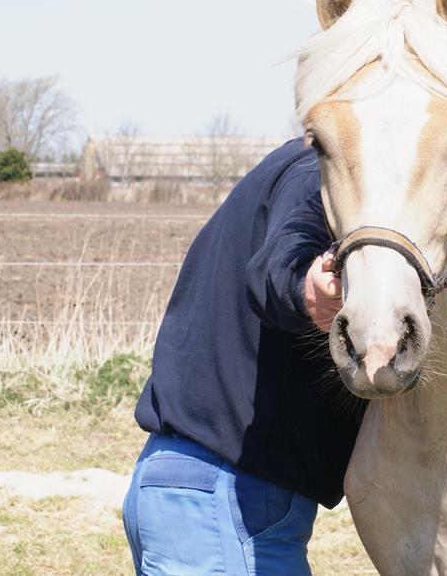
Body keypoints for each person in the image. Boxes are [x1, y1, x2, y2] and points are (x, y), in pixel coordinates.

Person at [122, 137, 364, 575]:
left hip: (181, 487)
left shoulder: (289, 166)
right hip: (228, 505)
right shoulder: (321, 175)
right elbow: (285, 262)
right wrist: (305, 287)